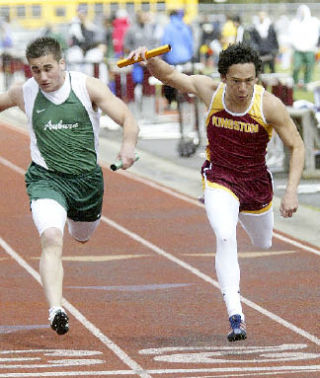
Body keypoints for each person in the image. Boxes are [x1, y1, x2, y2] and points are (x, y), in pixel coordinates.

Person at [127, 42, 305, 342]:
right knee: (225, 234)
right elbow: (170, 76)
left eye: (250, 81)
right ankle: (236, 315)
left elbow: (297, 145)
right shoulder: (210, 92)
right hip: (219, 177)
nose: (243, 89)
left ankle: (247, 219)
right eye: (236, 81)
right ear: (223, 78)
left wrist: (291, 192)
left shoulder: (269, 105)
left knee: (263, 243)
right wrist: (148, 60)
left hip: (256, 184)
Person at [0, 37, 139, 335]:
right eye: (35, 70)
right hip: (45, 179)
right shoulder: (24, 92)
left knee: (82, 237)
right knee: (51, 237)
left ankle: (81, 224)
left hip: (87, 183)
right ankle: (56, 309)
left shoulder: (87, 87)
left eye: (48, 68)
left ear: (62, 64)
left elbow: (128, 118)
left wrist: (128, 146)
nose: (43, 77)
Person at [288, 4, 320, 88]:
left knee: (309, 67)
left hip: (310, 49)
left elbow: (315, 35)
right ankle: (294, 82)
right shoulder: (294, 22)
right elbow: (291, 36)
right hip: (297, 50)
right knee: (296, 66)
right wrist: (297, 46)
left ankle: (307, 82)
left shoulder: (314, 22)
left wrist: (312, 46)